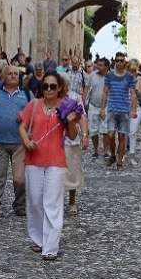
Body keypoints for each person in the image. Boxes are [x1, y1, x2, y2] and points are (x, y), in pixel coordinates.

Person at [18, 72, 79, 260]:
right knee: (35, 201)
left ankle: (51, 247)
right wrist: (26, 141)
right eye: (45, 86)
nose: (49, 90)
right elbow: (22, 125)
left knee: (51, 203)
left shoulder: (65, 106)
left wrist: (70, 122)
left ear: (59, 87)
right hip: (33, 159)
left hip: (55, 160)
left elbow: (73, 135)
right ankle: (39, 239)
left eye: (53, 86)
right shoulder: (34, 104)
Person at [0, 65, 30, 221]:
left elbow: (34, 115)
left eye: (16, 74)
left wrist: (25, 117)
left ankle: (20, 204)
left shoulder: (26, 94)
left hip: (20, 143)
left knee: (19, 178)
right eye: (10, 73)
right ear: (3, 77)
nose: (13, 76)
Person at [101, 52, 137, 170]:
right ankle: (112, 154)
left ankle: (119, 161)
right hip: (112, 110)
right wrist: (102, 109)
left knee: (122, 136)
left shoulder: (129, 77)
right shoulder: (109, 76)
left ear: (125, 63)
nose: (119, 62)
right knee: (110, 135)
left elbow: (132, 94)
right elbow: (105, 92)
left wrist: (134, 109)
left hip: (124, 111)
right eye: (117, 60)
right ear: (115, 62)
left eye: (122, 60)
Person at [61, 74, 89, 216]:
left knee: (72, 171)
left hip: (71, 141)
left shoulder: (75, 97)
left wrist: (84, 135)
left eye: (63, 84)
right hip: (56, 142)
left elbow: (82, 116)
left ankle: (72, 202)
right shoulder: (52, 98)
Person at [85, 58, 109, 159]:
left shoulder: (111, 77)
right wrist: (84, 102)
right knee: (93, 130)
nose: (97, 67)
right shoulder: (92, 75)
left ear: (106, 67)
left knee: (105, 131)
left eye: (100, 65)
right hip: (93, 106)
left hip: (107, 107)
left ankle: (106, 151)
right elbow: (87, 88)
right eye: (97, 65)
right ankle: (95, 150)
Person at [127, 60, 141, 166]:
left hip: (137, 109)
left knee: (132, 132)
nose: (132, 73)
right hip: (124, 109)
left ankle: (132, 155)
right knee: (123, 133)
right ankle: (121, 154)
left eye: (134, 70)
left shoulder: (139, 79)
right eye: (130, 70)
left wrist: (137, 90)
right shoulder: (123, 79)